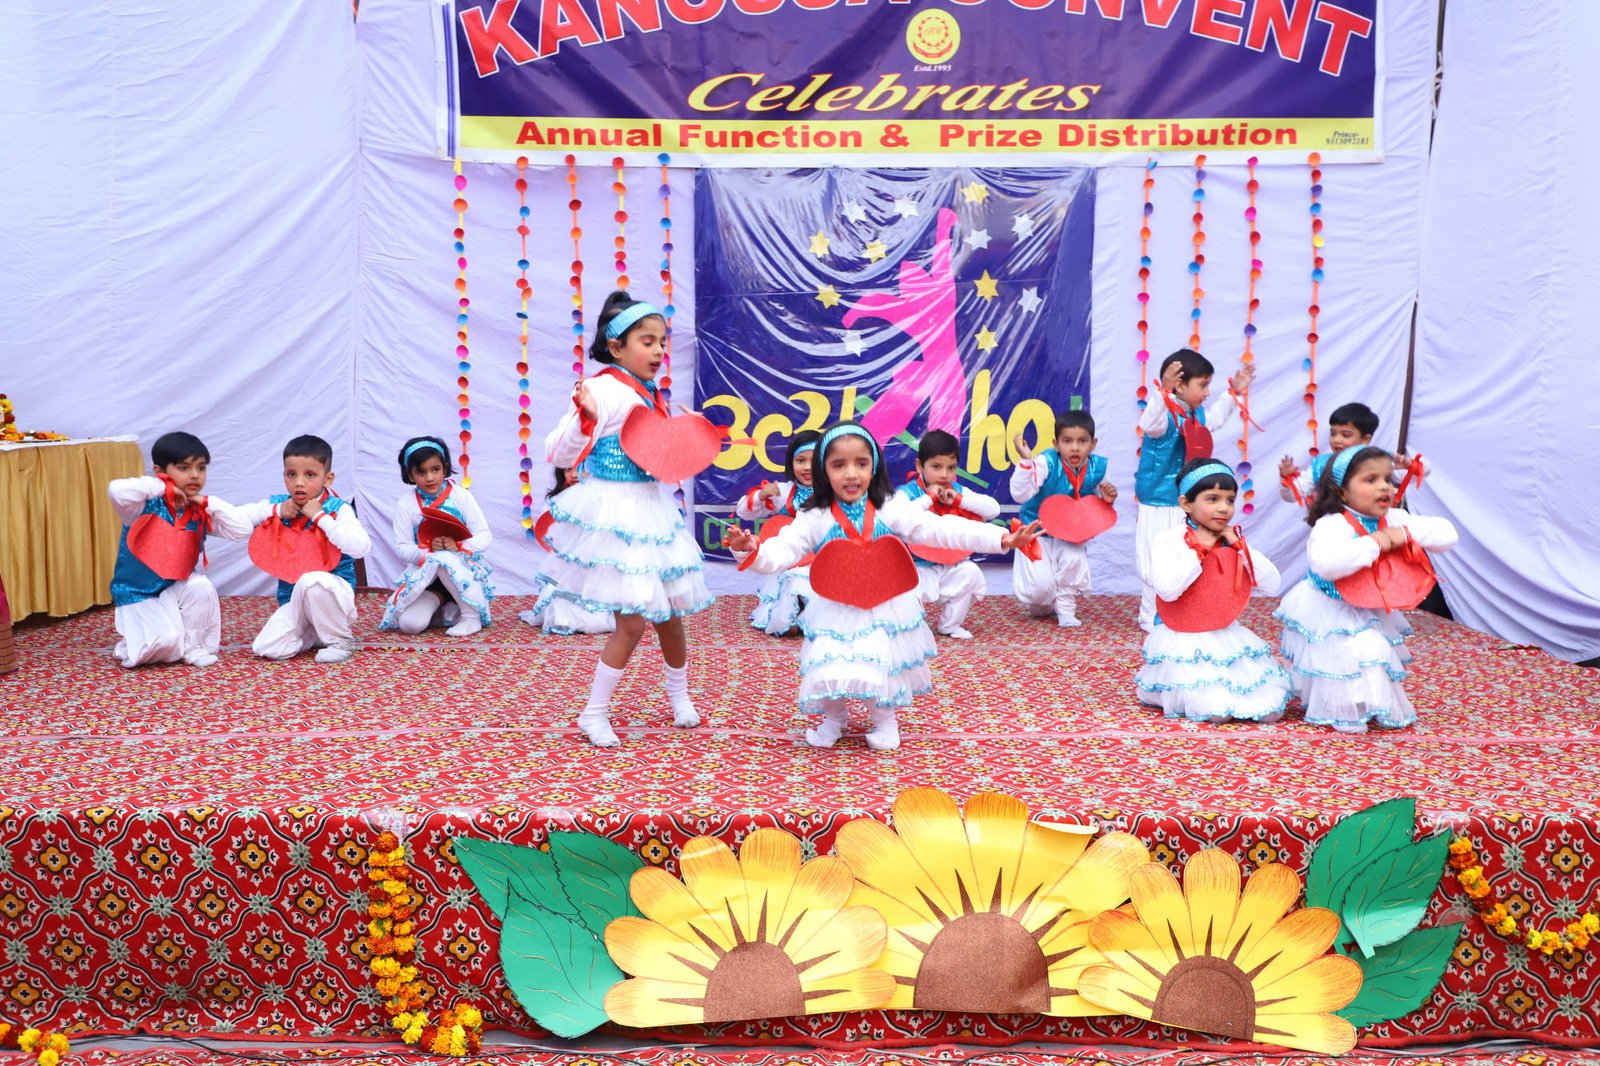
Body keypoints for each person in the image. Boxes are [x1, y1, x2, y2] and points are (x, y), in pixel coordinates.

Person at [726, 422, 1041, 751]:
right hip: (834, 604)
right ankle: (833, 720)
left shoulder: (889, 507)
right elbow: (781, 551)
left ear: (874, 466)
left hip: (884, 604)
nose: (851, 474)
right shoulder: (814, 516)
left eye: (861, 463)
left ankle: (885, 724)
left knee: (880, 664)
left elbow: (941, 529)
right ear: (823, 470)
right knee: (827, 662)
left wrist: (1002, 538)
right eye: (839, 465)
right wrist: (750, 550)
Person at [544, 291, 712, 746]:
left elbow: (665, 462)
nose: (658, 351)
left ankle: (679, 697)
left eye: (662, 342)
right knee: (632, 622)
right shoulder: (601, 390)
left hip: (652, 511)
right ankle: (594, 713)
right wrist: (584, 420)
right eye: (647, 341)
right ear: (617, 347)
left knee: (670, 615)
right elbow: (557, 453)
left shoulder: (653, 394)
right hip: (615, 515)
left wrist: (693, 434)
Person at [1275, 446, 1459, 733]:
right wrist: (1376, 543)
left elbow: (1448, 534)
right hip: (1330, 606)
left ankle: (1363, 702)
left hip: (1368, 603)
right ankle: (1342, 709)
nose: (1384, 486)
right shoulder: (1333, 524)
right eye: (1370, 480)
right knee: (1345, 655)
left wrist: (1404, 533)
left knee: (1370, 653)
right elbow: (1327, 564)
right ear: (1342, 492)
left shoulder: (1395, 519)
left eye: (1387, 479)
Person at [1134, 459, 1290, 723]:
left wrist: (1241, 548)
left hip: (1224, 633)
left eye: (1229, 500)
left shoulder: (1230, 540)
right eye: (1212, 499)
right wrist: (1200, 549)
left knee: (1269, 708)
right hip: (1183, 638)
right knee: (1213, 709)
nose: (1223, 508)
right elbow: (1168, 590)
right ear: (1186, 504)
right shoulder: (1170, 539)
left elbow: (1272, 584)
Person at [211, 434, 372, 663]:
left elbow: (360, 547)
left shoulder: (339, 509)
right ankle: (313, 633)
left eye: (310, 475)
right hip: (295, 603)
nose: (299, 482)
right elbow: (236, 519)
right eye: (291, 474)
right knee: (268, 648)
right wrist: (276, 510)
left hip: (333, 597)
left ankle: (339, 639)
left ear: (328, 479)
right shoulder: (280, 504)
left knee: (311, 580)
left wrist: (320, 517)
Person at [1134, 348, 1253, 632]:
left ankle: (1181, 610)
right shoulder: (1163, 416)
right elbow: (1148, 424)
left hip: (1186, 502)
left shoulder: (1195, 414)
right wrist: (1162, 392)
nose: (1207, 392)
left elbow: (1215, 419)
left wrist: (1233, 393)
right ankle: (1150, 614)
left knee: (1187, 553)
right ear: (1180, 385)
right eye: (1203, 385)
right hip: (1158, 500)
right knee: (1155, 557)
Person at [106, 431, 224, 668]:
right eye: (184, 468)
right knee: (167, 643)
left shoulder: (199, 510)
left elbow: (241, 529)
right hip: (138, 594)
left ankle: (193, 647)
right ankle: (135, 643)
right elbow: (116, 490)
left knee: (200, 585)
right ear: (160, 471)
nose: (195, 475)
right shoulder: (140, 507)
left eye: (201, 468)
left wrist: (207, 502)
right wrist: (161, 486)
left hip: (174, 590)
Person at [1010, 410, 1117, 627]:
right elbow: (1020, 495)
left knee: (1073, 560)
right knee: (1041, 592)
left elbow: (1098, 505)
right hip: (1037, 530)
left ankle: (1066, 610)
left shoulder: (1098, 467)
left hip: (1070, 533)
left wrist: (1106, 500)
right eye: (1067, 441)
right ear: (1056, 444)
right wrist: (1026, 461)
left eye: (1082, 441)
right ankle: (1044, 602)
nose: (1075, 447)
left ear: (1093, 444)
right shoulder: (1045, 462)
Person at [379, 436, 494, 637]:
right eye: (421, 472)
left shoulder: (461, 496)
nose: (430, 477)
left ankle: (470, 616)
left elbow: (484, 536)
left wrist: (458, 545)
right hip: (427, 577)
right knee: (409, 625)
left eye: (435, 469)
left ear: (445, 468)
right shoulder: (406, 504)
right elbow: (402, 547)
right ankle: (443, 601)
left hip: (462, 573)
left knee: (443, 559)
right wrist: (428, 549)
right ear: (410, 474)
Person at [894, 429, 1000, 640]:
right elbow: (899, 519)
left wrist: (960, 500)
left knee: (970, 572)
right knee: (907, 627)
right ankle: (910, 624)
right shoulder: (906, 493)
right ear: (919, 466)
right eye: (936, 467)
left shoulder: (956, 490)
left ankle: (950, 625)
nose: (944, 475)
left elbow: (993, 510)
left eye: (951, 468)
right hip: (912, 569)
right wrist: (929, 498)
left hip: (947, 565)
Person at [736, 430, 821, 636]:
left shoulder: (835, 491)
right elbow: (743, 512)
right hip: (790, 558)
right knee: (792, 579)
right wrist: (761, 495)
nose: (807, 467)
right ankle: (791, 617)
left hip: (823, 560)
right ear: (791, 463)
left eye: (814, 461)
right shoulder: (783, 491)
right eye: (800, 460)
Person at [1278, 402, 1431, 508]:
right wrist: (1286, 479)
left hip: (1376, 530)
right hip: (1335, 531)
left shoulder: (1379, 460)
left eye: (1345, 435)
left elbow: (1421, 472)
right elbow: (1292, 495)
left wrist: (1409, 464)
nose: (1336, 440)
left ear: (1366, 439)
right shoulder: (1321, 465)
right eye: (1333, 433)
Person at [521, 468, 616, 635]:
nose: (574, 475)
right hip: (565, 561)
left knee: (598, 615)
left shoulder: (601, 498)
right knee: (559, 605)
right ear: (560, 473)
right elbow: (546, 528)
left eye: (581, 470)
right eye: (567, 470)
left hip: (593, 560)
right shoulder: (555, 500)